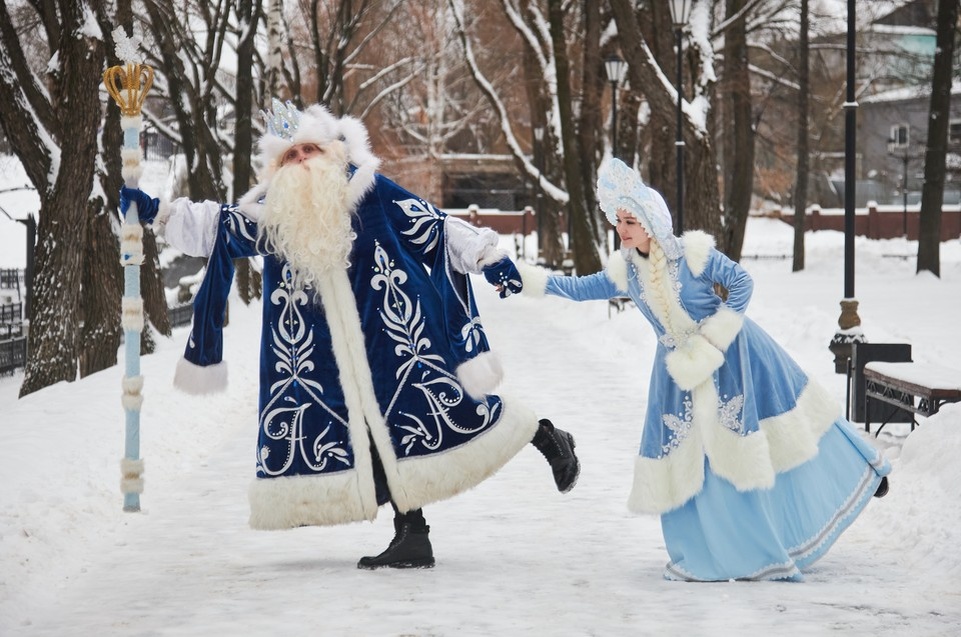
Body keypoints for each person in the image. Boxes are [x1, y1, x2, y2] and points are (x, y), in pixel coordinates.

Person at [118, 99, 579, 569]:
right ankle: (412, 534)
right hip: (325, 356)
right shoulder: (274, 217)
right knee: (371, 434)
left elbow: (435, 228)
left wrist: (488, 257)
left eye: (309, 151)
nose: (301, 162)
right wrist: (156, 211)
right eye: (290, 157)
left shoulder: (372, 192)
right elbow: (213, 228)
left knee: (444, 413)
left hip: (397, 339)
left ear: (332, 151)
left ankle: (545, 436)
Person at [512, 157, 891, 582]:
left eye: (630, 220)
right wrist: (523, 278)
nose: (622, 228)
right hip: (679, 372)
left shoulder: (693, 255)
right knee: (688, 454)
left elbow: (743, 283)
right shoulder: (627, 272)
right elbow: (579, 288)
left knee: (779, 427)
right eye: (618, 220)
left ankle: (857, 476)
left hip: (733, 356)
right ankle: (709, 545)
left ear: (652, 221)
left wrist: (718, 333)